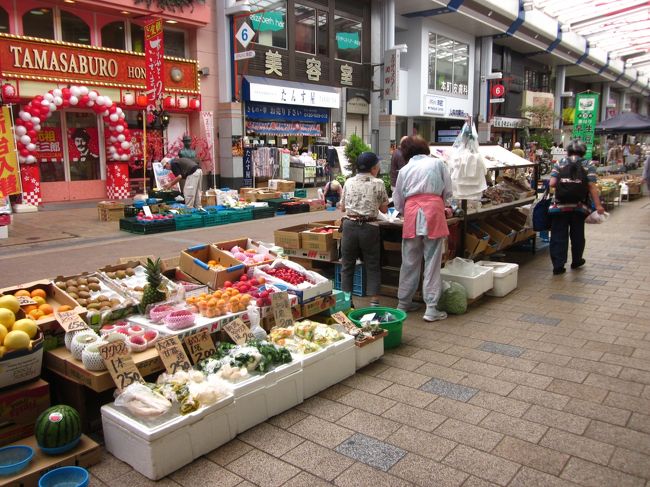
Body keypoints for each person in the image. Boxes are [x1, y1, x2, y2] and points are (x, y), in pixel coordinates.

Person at [393, 136, 452, 322]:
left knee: (409, 260)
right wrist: (444, 204)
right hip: (434, 211)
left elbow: (398, 200)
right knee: (432, 261)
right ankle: (431, 308)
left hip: (411, 213)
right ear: (425, 148)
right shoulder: (438, 164)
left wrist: (406, 210)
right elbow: (448, 191)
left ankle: (403, 302)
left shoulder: (404, 170)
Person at [548, 139, 605, 275]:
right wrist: (598, 205)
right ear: (583, 152)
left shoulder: (560, 163)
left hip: (559, 206)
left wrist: (565, 186)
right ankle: (577, 260)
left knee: (558, 236)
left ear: (568, 151)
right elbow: (591, 186)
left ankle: (558, 265)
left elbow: (552, 182)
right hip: (579, 207)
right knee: (578, 234)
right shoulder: (588, 164)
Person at [340, 152, 389, 307]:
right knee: (373, 265)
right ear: (374, 168)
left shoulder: (348, 182)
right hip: (369, 227)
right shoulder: (378, 183)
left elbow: (342, 207)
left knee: (347, 264)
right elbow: (385, 209)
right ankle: (374, 302)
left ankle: (347, 303)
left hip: (349, 226)